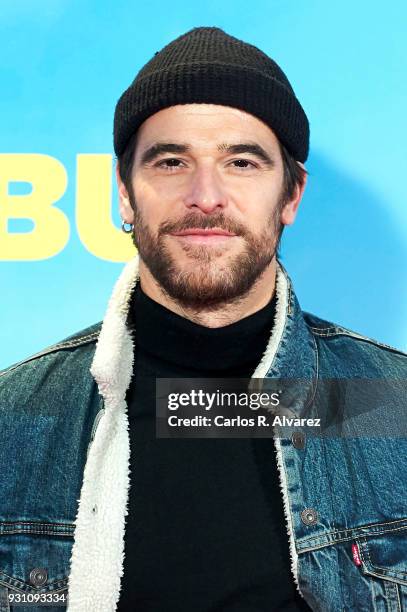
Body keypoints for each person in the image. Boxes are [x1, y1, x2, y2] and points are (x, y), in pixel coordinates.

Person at [0, 26, 406, 612]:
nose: (206, 195)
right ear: (124, 192)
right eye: (170, 161)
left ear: (290, 196)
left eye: (241, 162)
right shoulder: (17, 421)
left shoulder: (389, 403)